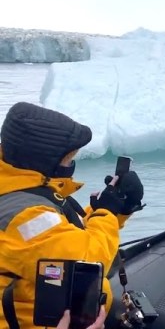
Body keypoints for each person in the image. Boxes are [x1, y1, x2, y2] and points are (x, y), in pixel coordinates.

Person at [0, 102, 145, 329]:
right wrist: (107, 212)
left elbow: (61, 239)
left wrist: (117, 211)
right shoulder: (22, 217)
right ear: (45, 162)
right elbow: (86, 260)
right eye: (68, 160)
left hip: (63, 310)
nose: (71, 166)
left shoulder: (19, 189)